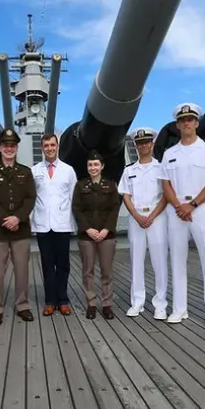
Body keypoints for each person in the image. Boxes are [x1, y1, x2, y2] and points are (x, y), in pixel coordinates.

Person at [158, 102, 205, 330]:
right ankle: (179, 309)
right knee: (177, 260)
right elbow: (165, 183)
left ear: (196, 123)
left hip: (201, 208)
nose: (186, 123)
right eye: (182, 120)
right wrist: (179, 205)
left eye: (190, 119)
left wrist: (193, 204)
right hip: (176, 210)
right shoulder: (169, 153)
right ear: (177, 124)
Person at [0, 128, 37, 326]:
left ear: (17, 148)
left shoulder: (25, 172)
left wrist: (17, 218)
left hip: (20, 230)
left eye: (12, 145)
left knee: (22, 270)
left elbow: (30, 198)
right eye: (6, 145)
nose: (9, 148)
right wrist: (5, 218)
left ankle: (22, 305)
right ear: (0, 147)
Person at [118, 127, 169, 319]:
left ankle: (160, 304)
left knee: (159, 262)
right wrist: (138, 216)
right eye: (140, 143)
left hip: (157, 218)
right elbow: (126, 196)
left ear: (152, 143)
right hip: (136, 219)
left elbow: (166, 195)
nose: (143, 145)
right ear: (136, 145)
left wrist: (152, 215)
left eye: (146, 142)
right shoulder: (129, 170)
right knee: (136, 261)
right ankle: (137, 302)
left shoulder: (161, 168)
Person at [31, 133, 78, 317]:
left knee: (63, 264)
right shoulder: (35, 171)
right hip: (43, 225)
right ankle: (50, 301)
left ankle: (63, 300)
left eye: (52, 145)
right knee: (47, 264)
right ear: (42, 148)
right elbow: (31, 196)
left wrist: (77, 223)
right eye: (46, 145)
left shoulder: (68, 170)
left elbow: (74, 197)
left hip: (62, 224)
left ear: (57, 147)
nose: (49, 148)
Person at [72, 150, 121, 320]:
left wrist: (106, 229)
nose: (93, 167)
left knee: (106, 272)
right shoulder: (80, 186)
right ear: (87, 167)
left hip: (106, 235)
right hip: (87, 236)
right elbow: (77, 209)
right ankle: (91, 304)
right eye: (90, 165)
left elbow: (114, 208)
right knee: (88, 271)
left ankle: (106, 304)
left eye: (96, 164)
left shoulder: (111, 185)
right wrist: (87, 229)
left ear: (102, 166)